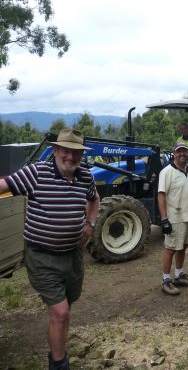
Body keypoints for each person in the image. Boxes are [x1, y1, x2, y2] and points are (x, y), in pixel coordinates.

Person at [0, 129, 100, 370]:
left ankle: (59, 346)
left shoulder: (85, 176)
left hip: (73, 256)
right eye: (66, 150)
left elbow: (94, 199)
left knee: (66, 308)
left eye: (76, 152)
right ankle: (58, 364)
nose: (71, 157)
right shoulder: (36, 173)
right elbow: (3, 184)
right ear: (56, 150)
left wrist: (89, 224)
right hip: (42, 257)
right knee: (61, 312)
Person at [158, 141, 188, 295]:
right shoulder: (167, 172)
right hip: (175, 217)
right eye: (179, 151)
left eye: (185, 151)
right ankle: (166, 280)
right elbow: (161, 195)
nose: (182, 154)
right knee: (171, 248)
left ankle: (179, 275)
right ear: (174, 154)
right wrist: (164, 219)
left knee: (184, 246)